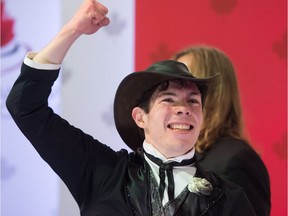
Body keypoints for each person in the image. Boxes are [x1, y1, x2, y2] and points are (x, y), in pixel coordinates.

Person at [6, 0, 257, 215]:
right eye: (168, 99)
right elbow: (25, 105)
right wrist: (72, 30)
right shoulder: (102, 172)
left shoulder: (229, 198)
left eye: (193, 101)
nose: (184, 109)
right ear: (140, 117)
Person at [172, 46, 271, 216]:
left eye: (184, 86)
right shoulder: (177, 157)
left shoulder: (237, 160)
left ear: (213, 91)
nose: (178, 102)